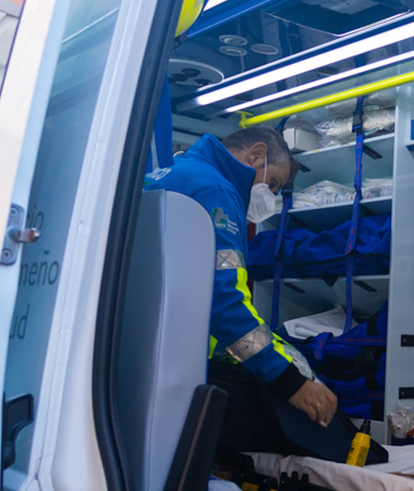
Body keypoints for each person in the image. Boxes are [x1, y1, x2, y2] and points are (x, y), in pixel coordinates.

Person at [145, 127, 338, 426]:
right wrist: (289, 381)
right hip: (166, 362)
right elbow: (225, 301)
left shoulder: (172, 171)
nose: (271, 197)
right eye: (273, 183)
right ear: (256, 154)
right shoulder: (215, 191)